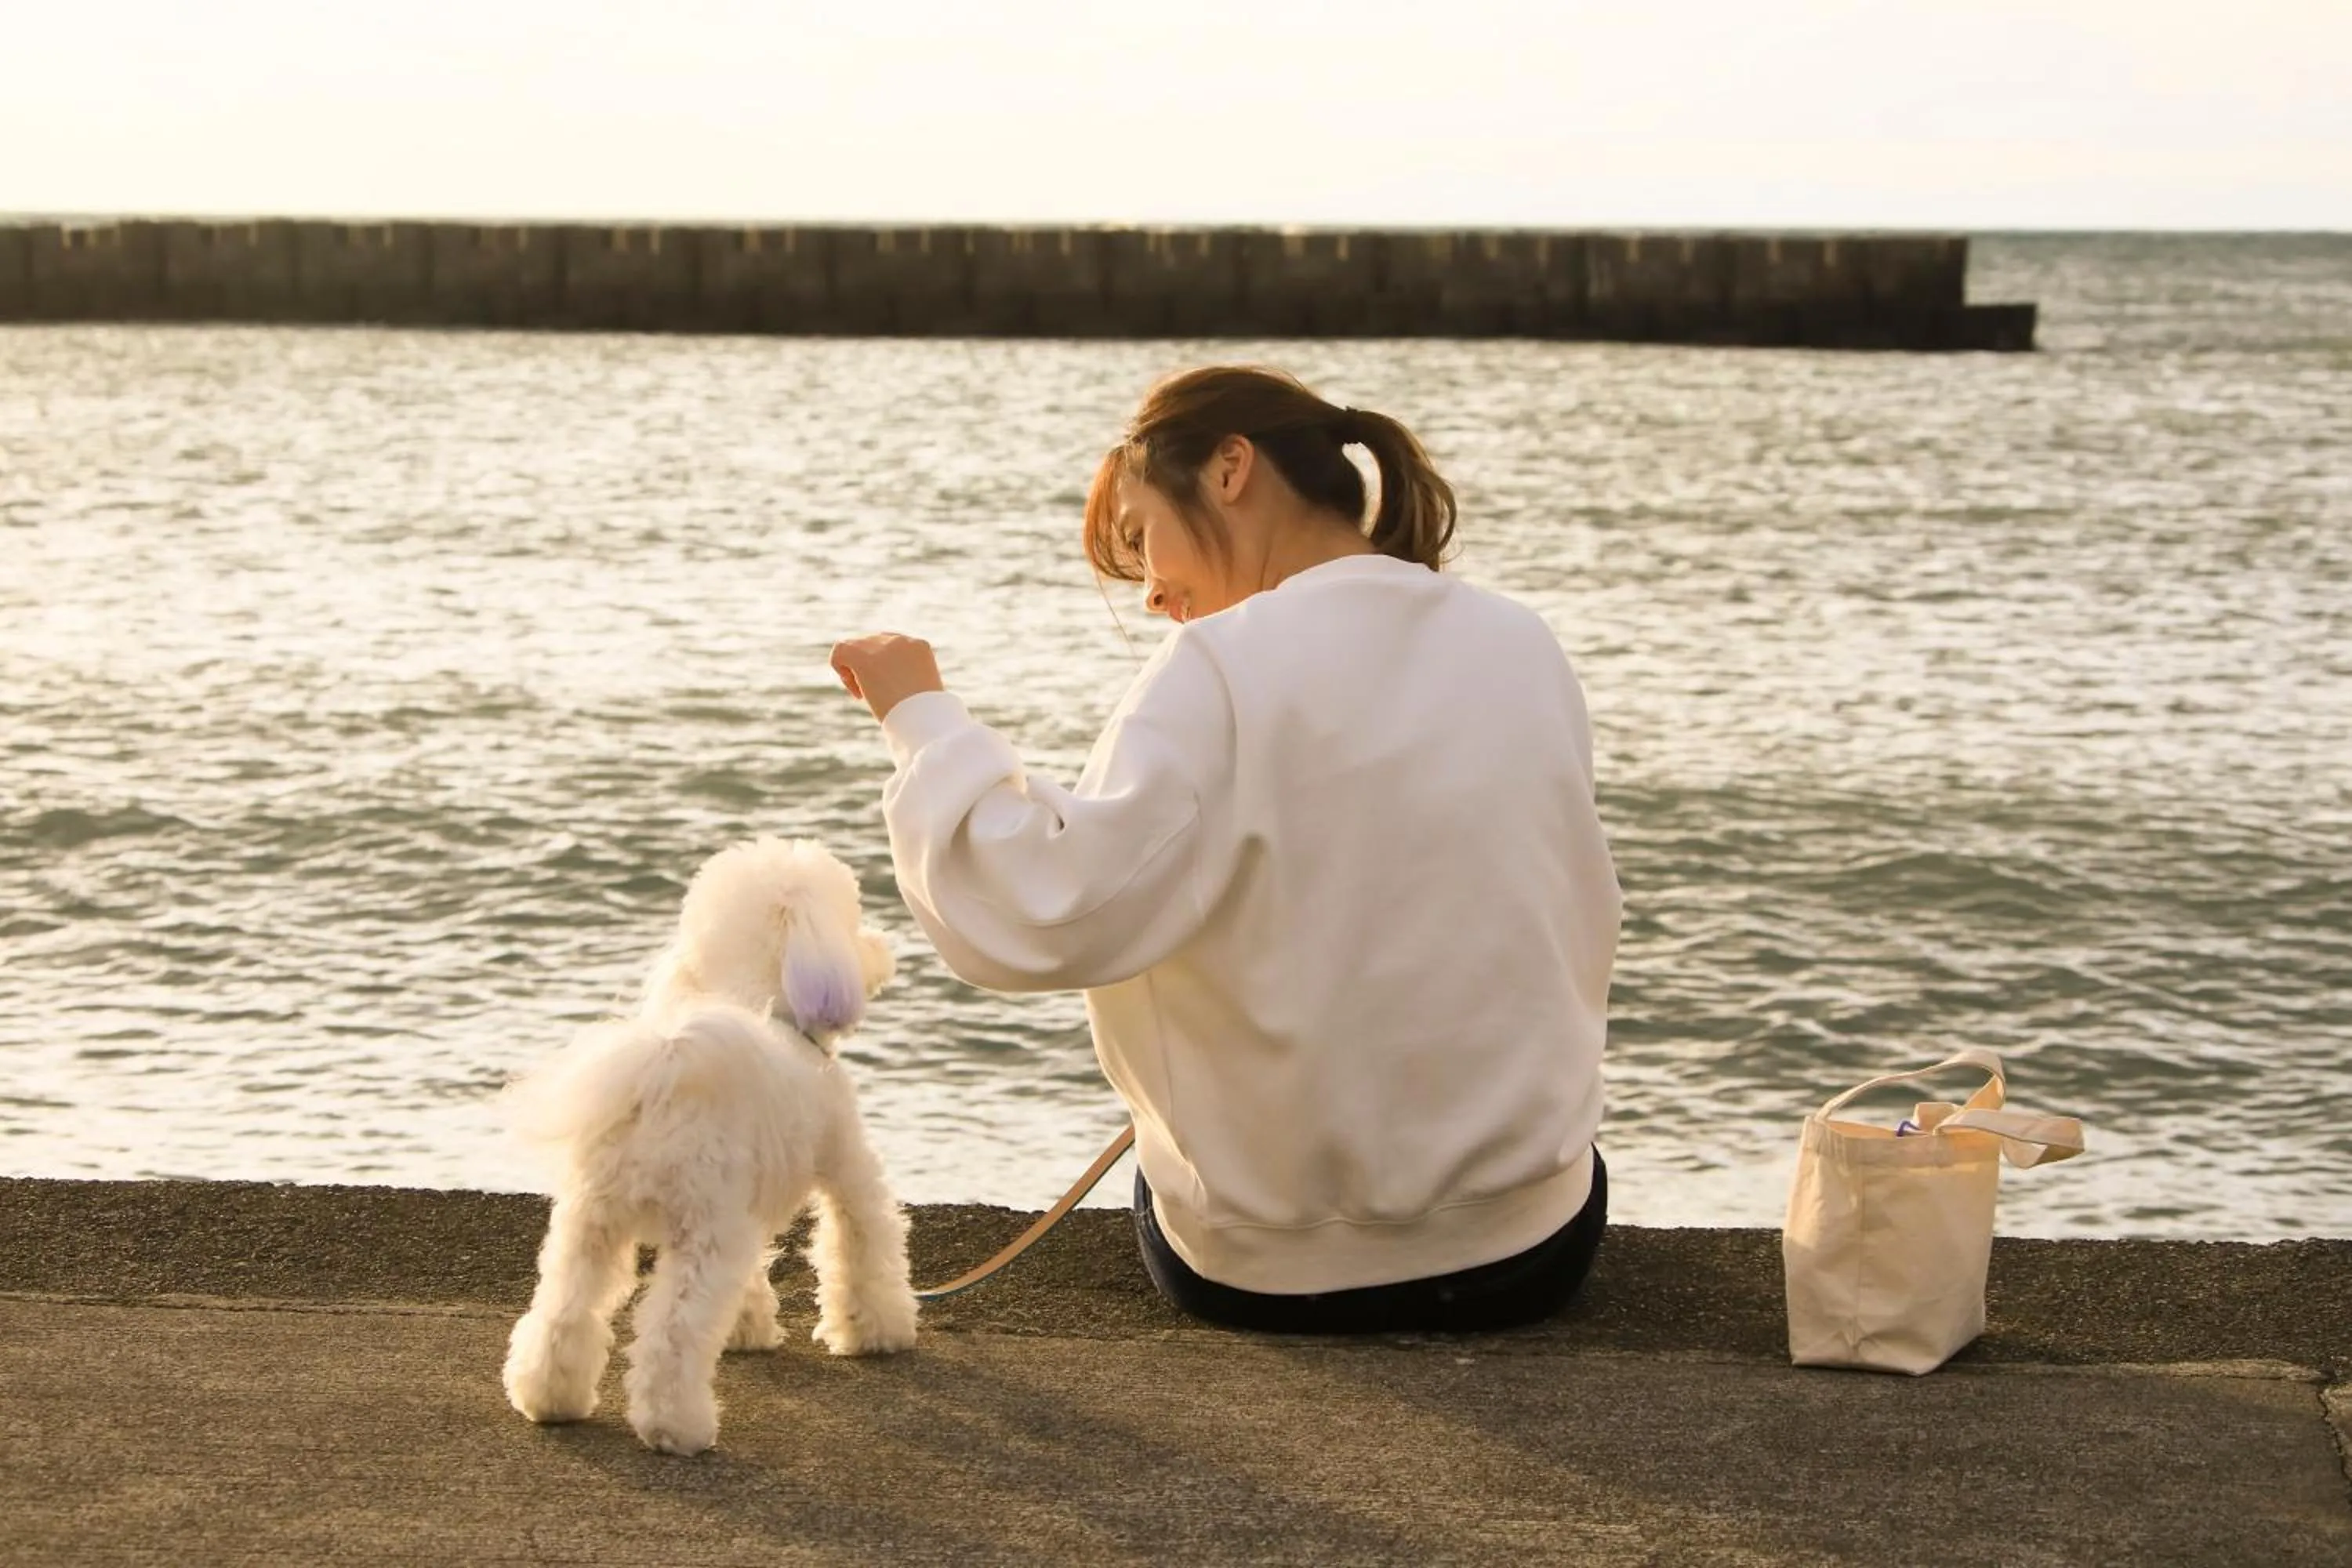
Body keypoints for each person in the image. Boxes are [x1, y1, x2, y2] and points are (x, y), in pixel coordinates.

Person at [829, 365, 1620, 1334]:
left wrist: (921, 717)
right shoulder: (1519, 640)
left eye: (1142, 537)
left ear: (1230, 468)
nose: (1153, 592)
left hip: (1277, 1272)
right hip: (1532, 1248)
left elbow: (1047, 908)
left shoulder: (1218, 662)